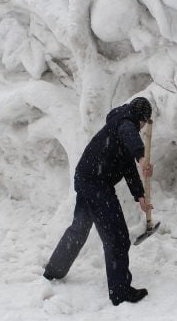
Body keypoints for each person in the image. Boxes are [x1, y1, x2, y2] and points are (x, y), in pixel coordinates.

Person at [43, 97, 154, 306]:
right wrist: (142, 156)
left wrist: (140, 196)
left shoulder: (118, 124)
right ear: (141, 119)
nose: (141, 128)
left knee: (79, 227)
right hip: (96, 184)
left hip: (86, 177)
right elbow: (129, 134)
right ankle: (120, 292)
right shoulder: (125, 123)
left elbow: (128, 169)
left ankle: (54, 270)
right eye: (143, 123)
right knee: (117, 236)